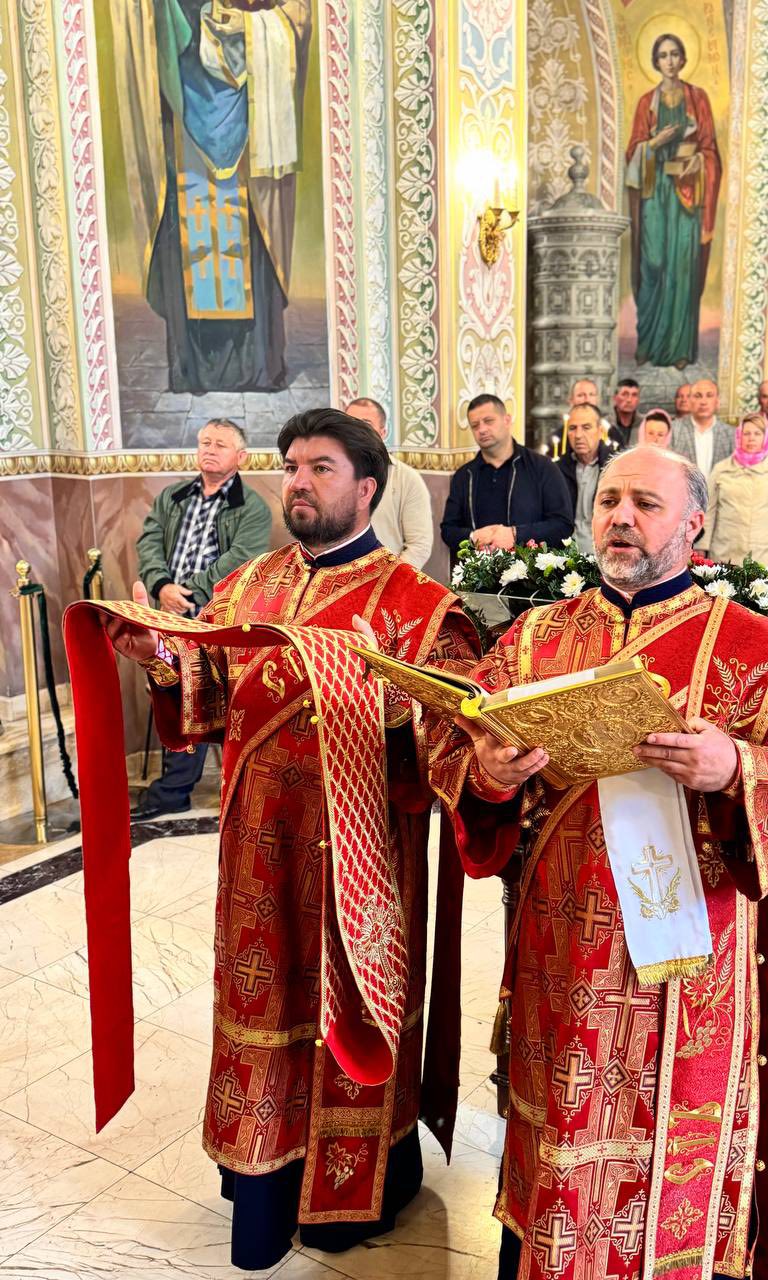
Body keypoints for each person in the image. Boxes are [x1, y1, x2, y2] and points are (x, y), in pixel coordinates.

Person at [430, 444, 768, 1280]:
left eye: (646, 504)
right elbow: (452, 734)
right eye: (609, 502)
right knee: (560, 1123)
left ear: (694, 523)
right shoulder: (536, 637)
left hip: (688, 965)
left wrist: (736, 765)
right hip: (561, 950)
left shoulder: (755, 648)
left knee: (662, 1136)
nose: (621, 518)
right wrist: (487, 771)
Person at [102, 409, 479, 1270]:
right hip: (257, 858)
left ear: (367, 489)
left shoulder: (418, 606)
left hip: (361, 866)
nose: (298, 482)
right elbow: (205, 694)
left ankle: (352, 1193)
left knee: (350, 1013)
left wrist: (400, 714)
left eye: (321, 468)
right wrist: (160, 655)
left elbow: (453, 741)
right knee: (264, 1005)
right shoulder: (249, 586)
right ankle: (265, 1186)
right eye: (293, 466)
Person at [111, 1, 311, 391]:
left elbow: (298, 14)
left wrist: (249, 26)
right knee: (190, 224)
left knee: (246, 231)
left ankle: (257, 365)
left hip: (250, 111)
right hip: (182, 99)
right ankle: (197, 368)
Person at [132, 419, 271, 819]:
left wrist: (187, 593)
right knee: (172, 691)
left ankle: (230, 788)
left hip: (217, 619)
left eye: (220, 444)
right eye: (204, 442)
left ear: (241, 456)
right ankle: (173, 791)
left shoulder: (253, 508)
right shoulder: (172, 496)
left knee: (215, 696)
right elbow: (149, 541)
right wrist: (161, 586)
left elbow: (240, 560)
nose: (209, 449)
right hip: (168, 613)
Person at [625, 34, 722, 368]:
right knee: (652, 262)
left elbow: (710, 149)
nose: (669, 61)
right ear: (656, 62)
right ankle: (648, 342)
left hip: (686, 195)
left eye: (674, 54)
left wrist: (699, 161)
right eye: (663, 55)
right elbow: (632, 152)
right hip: (654, 192)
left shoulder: (698, 98)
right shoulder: (646, 103)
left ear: (683, 60)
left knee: (682, 267)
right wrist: (653, 144)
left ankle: (679, 349)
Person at [441, 394, 574, 558]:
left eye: (488, 421)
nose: (482, 430)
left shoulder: (542, 467)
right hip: (479, 570)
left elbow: (563, 525)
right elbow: (448, 530)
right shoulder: (464, 475)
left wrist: (516, 534)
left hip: (530, 570)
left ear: (507, 420)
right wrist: (473, 537)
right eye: (475, 425)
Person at [701, 412, 768, 567]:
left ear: (766, 437)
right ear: (739, 436)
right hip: (725, 552)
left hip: (766, 554)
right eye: (746, 433)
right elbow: (709, 511)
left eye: (757, 433)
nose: (751, 438)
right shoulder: (721, 469)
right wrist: (701, 546)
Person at [345, 396, 433, 568]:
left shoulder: (407, 479)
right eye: (349, 424)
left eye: (365, 424)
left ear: (383, 432)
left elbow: (419, 546)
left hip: (387, 577)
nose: (355, 431)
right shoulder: (329, 475)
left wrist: (388, 578)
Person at [556, 404, 616, 552]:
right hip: (564, 555)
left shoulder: (615, 468)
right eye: (572, 428)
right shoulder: (557, 469)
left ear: (600, 431)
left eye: (586, 427)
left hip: (604, 553)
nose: (578, 435)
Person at [671, 378, 735, 476]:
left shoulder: (731, 434)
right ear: (690, 401)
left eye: (709, 396)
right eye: (698, 396)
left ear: (717, 401)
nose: (703, 402)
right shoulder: (673, 430)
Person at [560, 378, 613, 452]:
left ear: (597, 399)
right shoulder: (560, 437)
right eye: (581, 395)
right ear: (571, 400)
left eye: (591, 394)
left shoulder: (612, 433)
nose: (587, 400)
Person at [607, 378, 641, 448]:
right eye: (625, 394)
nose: (629, 400)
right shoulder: (604, 424)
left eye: (634, 395)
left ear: (638, 400)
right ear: (615, 398)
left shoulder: (645, 425)